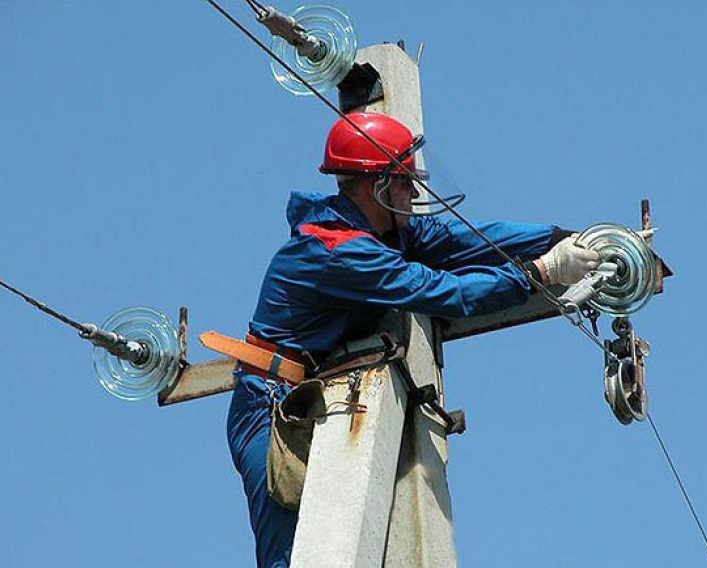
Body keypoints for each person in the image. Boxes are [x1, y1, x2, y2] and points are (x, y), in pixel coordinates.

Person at [226, 111, 600, 568]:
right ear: (375, 185)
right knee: (296, 550)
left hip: (302, 390)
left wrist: (555, 237)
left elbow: (465, 241)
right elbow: (444, 291)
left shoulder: (377, 231)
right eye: (404, 180)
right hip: (268, 404)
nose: (415, 190)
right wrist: (542, 272)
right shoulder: (340, 252)